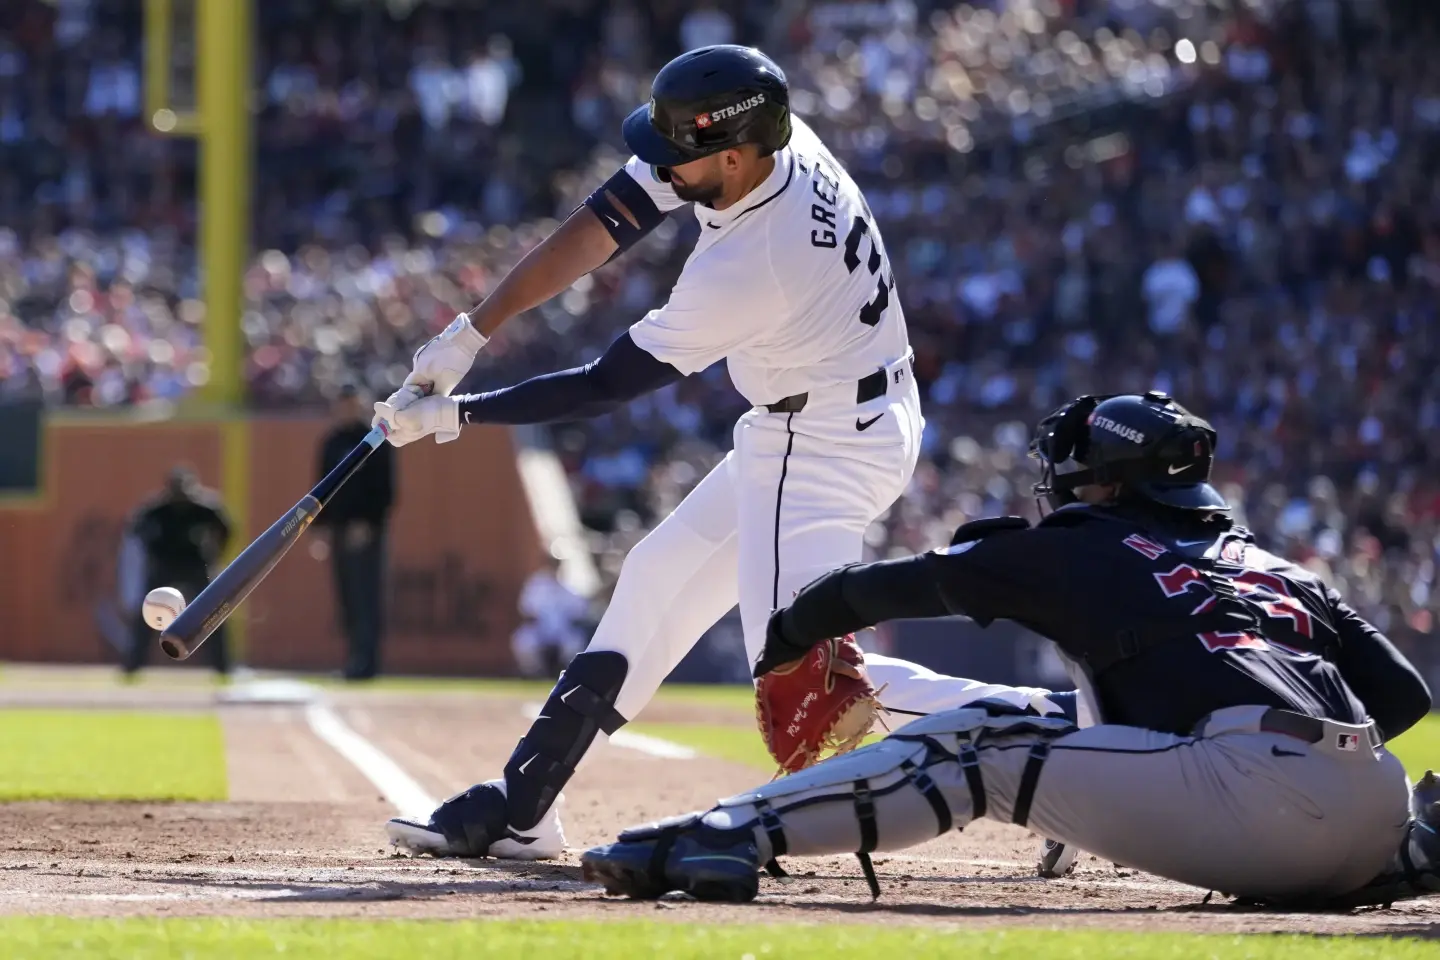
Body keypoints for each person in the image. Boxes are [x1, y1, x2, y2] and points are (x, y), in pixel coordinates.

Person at [373, 45, 1050, 860]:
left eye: (680, 154)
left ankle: (1060, 737)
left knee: (805, 673)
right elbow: (604, 221)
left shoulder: (756, 259)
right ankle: (524, 808)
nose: (661, 165)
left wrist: (458, 415)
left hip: (824, 439)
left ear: (731, 155)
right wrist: (472, 330)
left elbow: (604, 385)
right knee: (657, 577)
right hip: (820, 416)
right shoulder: (767, 144)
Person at [579, 391, 1439, 909]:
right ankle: (1406, 852)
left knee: (986, 735)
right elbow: (1402, 701)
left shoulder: (1084, 540)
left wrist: (789, 634)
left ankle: (728, 833)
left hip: (1260, 803)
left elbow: (876, 590)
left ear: (1104, 481)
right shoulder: (1278, 567)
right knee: (1044, 713)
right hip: (1374, 813)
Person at [316, 385, 395, 681]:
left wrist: (368, 523)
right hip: (338, 528)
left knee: (367, 597)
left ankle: (369, 663)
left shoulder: (374, 439)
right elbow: (320, 486)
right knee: (347, 597)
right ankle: (352, 659)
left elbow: (386, 488)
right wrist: (320, 528)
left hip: (366, 531)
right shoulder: (331, 441)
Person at [122, 465, 232, 677]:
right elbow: (137, 529)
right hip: (165, 565)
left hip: (196, 564)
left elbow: (226, 528)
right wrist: (153, 551)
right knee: (148, 613)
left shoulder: (205, 508)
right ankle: (133, 665)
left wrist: (217, 553)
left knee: (214, 612)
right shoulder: (157, 509)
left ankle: (223, 666)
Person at [513, 554, 591, 679]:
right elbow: (527, 611)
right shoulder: (536, 584)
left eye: (557, 562)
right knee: (524, 640)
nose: (555, 566)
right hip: (540, 629)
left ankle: (570, 675)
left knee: (574, 643)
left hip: (563, 630)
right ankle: (534, 675)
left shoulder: (571, 583)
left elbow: (580, 612)